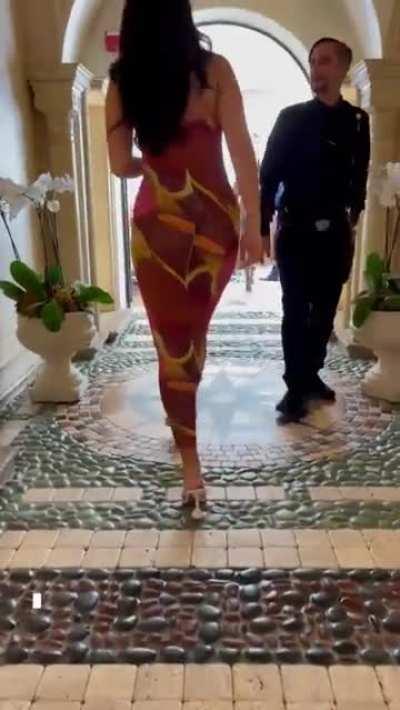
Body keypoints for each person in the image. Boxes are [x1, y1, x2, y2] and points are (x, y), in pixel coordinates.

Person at [106, 0, 263, 518]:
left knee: (171, 345)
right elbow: (242, 154)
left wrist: (155, 165)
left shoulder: (123, 82)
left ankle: (190, 468)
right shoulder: (215, 71)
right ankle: (185, 420)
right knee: (193, 335)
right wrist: (255, 226)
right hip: (216, 223)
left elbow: (119, 164)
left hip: (157, 226)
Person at [260, 37, 370, 422]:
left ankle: (311, 375)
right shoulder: (291, 118)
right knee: (294, 309)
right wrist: (262, 228)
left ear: (341, 68)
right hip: (295, 230)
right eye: (312, 62)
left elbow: (360, 175)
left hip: (335, 234)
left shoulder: (358, 121)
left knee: (324, 312)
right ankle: (295, 386)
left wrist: (353, 216)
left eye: (324, 61)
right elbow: (268, 175)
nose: (316, 69)